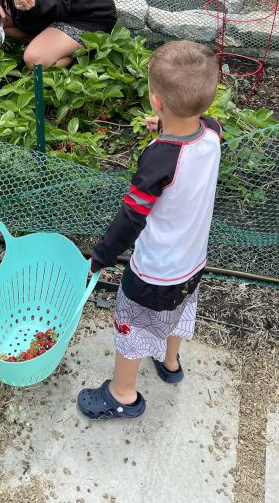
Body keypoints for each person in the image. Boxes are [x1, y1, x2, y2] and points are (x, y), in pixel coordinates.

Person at [77, 40, 222, 420]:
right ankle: (170, 363)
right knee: (178, 310)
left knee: (132, 326)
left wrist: (102, 255)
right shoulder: (213, 133)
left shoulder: (160, 158)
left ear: (156, 100)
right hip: (192, 262)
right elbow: (193, 130)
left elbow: (132, 216)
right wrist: (167, 126)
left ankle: (122, 394)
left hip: (154, 271)